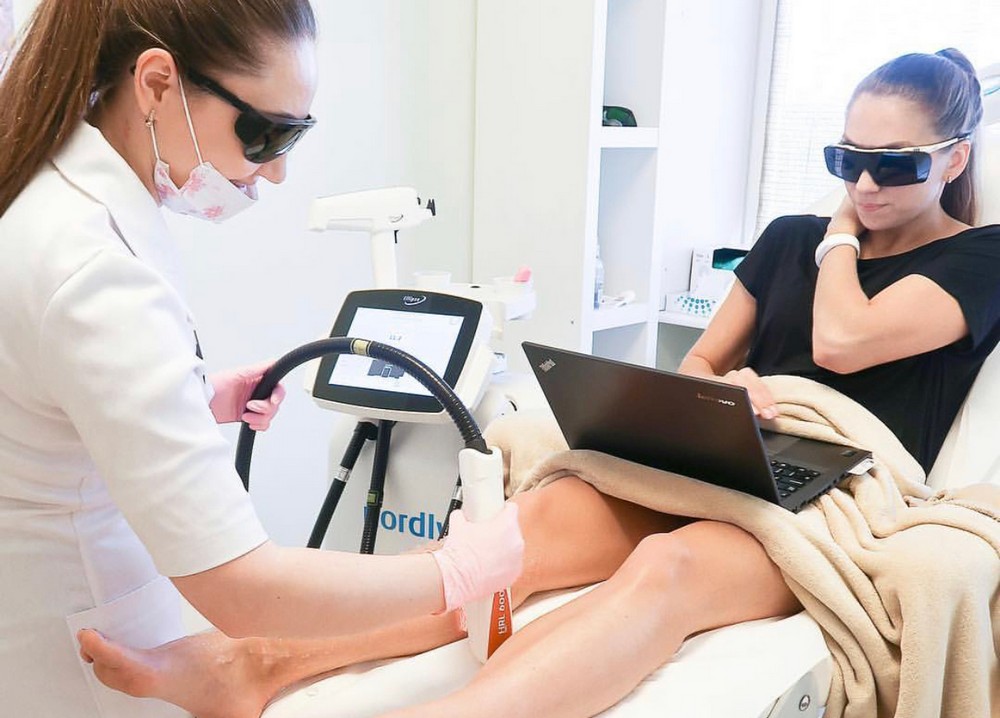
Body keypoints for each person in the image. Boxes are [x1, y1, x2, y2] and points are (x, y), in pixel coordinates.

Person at [76, 49, 1000, 718]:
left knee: (668, 569)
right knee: (518, 541)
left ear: (956, 158)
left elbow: (844, 341)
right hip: (736, 448)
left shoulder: (979, 257)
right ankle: (256, 663)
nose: (865, 182)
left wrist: (839, 230)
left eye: (894, 165)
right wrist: (731, 394)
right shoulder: (785, 240)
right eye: (846, 160)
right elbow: (699, 363)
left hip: (839, 489)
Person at [0, 2, 524, 717]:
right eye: (266, 134)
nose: (276, 172)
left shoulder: (50, 190)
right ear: (156, 85)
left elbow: (36, 390)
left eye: (295, 136)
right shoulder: (94, 267)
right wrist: (457, 570)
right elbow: (243, 589)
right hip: (70, 657)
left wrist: (188, 399)